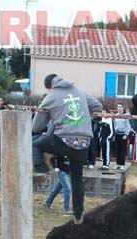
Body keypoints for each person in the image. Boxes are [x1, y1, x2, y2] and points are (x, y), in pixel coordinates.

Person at [32, 74, 103, 224]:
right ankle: (78, 215)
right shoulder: (78, 91)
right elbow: (98, 106)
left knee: (35, 144)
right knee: (76, 177)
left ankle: (41, 171)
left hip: (64, 141)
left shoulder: (50, 97)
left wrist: (52, 115)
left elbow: (36, 127)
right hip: (84, 143)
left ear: (49, 87)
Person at [112, 103, 131, 169]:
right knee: (117, 149)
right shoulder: (116, 116)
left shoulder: (126, 116)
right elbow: (114, 125)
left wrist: (126, 134)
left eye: (120, 107)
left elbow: (128, 125)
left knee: (122, 150)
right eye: (118, 107)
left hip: (123, 134)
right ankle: (118, 164)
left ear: (123, 108)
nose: (119, 108)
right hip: (117, 134)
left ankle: (122, 164)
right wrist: (114, 134)